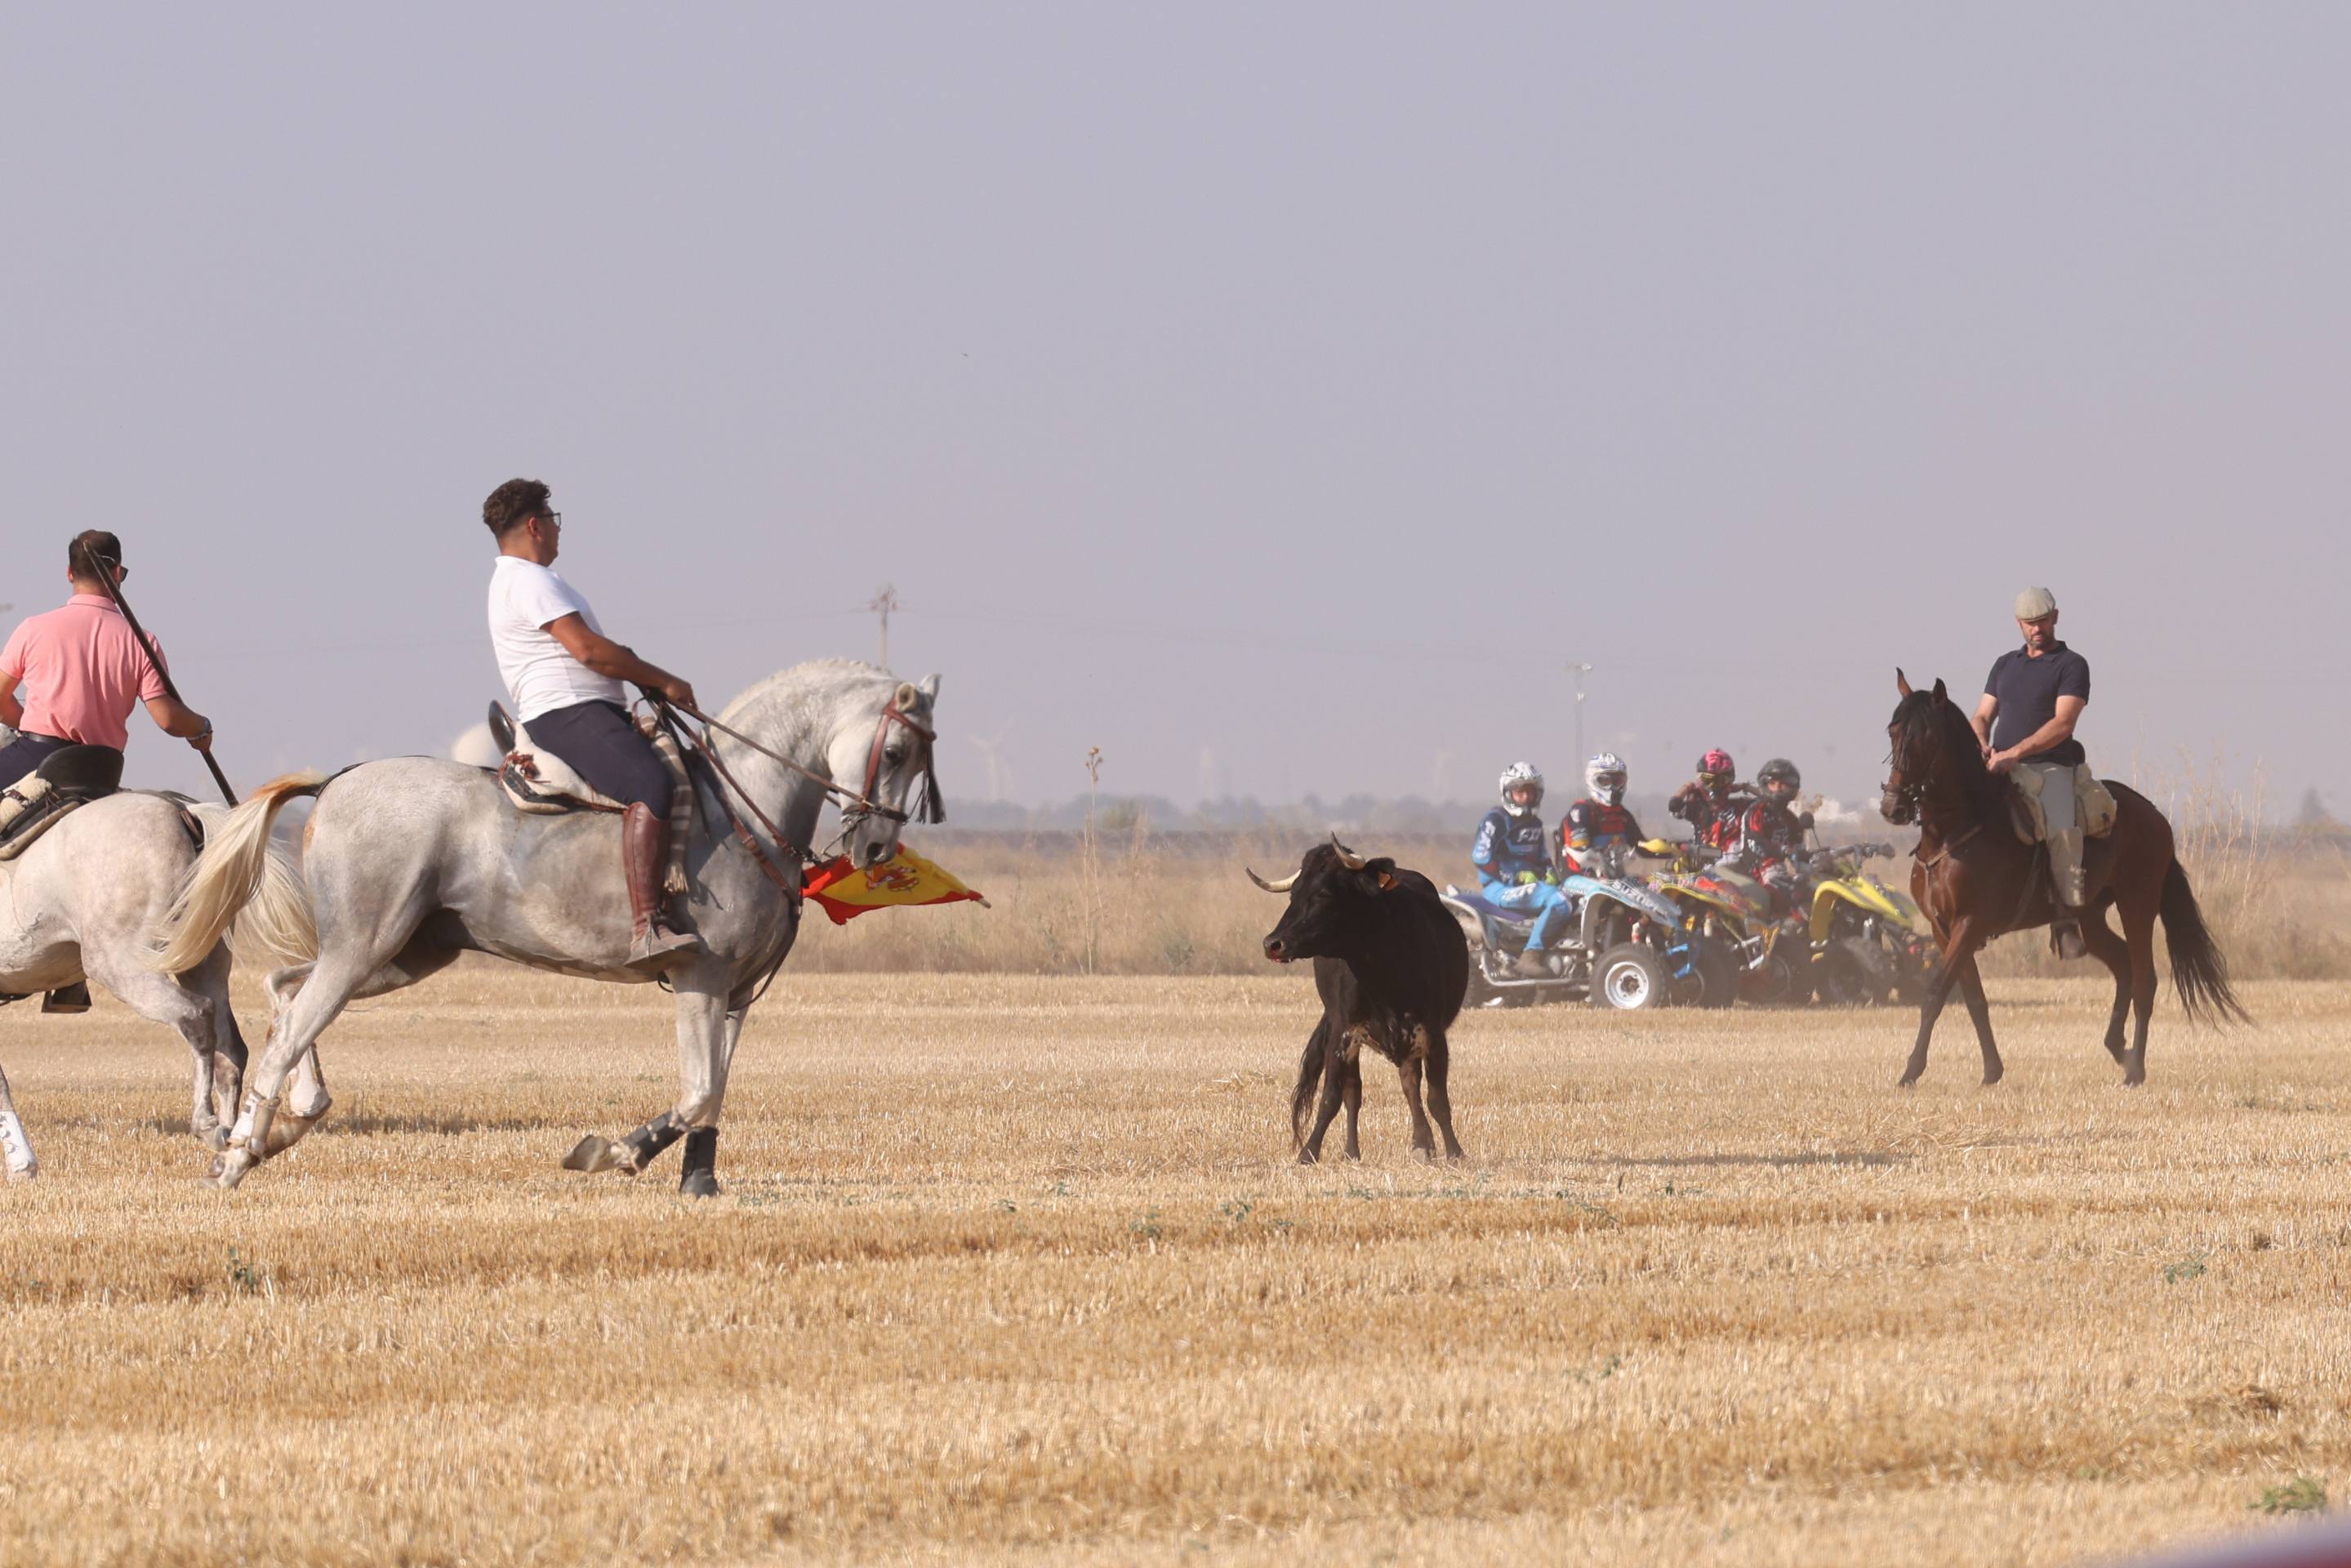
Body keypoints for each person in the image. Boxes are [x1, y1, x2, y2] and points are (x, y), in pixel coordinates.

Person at [483, 479, 701, 973]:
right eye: (554, 518)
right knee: (650, 785)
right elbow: (588, 652)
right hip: (567, 712)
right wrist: (664, 680)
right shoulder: (530, 581)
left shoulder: (527, 580)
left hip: (587, 707)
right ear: (536, 525)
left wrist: (635, 670)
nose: (559, 530)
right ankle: (646, 927)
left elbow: (600, 654)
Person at [1, 530, 213, 786]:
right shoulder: (141, 641)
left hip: (38, 758)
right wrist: (200, 728)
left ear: (70, 573)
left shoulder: (33, 628)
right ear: (117, 573)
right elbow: (167, 719)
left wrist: (27, 723)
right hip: (102, 769)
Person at [1973, 586, 2093, 958]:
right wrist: (1981, 742)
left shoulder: (2071, 665)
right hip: (2001, 766)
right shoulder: (2004, 664)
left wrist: (2015, 753)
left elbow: (2063, 723)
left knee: (2062, 833)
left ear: (2055, 617)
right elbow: (1981, 715)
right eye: (2029, 623)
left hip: (2051, 767)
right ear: (2018, 624)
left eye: (2042, 621)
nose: (2036, 629)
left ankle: (2065, 918)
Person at [1471, 761, 1571, 975]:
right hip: (1500, 889)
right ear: (1508, 793)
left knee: (1571, 894)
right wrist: (1513, 877)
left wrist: (1551, 874)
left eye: (1530, 792)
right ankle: (1530, 956)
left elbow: (1542, 859)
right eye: (1519, 793)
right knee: (1559, 901)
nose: (1525, 798)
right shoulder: (1495, 820)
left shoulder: (1534, 824)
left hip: (1531, 886)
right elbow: (1481, 858)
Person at [1725, 757, 1812, 912]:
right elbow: (1755, 843)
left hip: (1778, 874)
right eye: (1773, 784)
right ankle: (1780, 933)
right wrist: (1783, 850)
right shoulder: (1756, 812)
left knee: (1810, 889)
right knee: (1792, 895)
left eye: (1783, 785)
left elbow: (1799, 855)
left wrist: (1819, 862)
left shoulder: (1791, 820)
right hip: (1754, 876)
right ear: (1765, 785)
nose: (1778, 788)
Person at [1558, 752, 1665, 875]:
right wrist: (1606, 862)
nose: (1613, 787)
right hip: (1581, 880)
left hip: (1613, 879)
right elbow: (1581, 854)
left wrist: (1678, 849)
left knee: (1650, 891)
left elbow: (1643, 848)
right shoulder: (1581, 811)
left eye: (1617, 781)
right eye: (1605, 781)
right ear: (1592, 781)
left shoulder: (1622, 814)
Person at [1667, 748, 1751, 853]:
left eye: (1720, 781)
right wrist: (1687, 786)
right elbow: (1674, 806)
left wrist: (1748, 787)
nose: (1714, 787)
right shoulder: (1697, 808)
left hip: (1734, 863)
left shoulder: (1740, 807)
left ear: (1729, 780)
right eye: (1708, 780)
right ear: (1700, 779)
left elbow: (1770, 805)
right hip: (1701, 861)